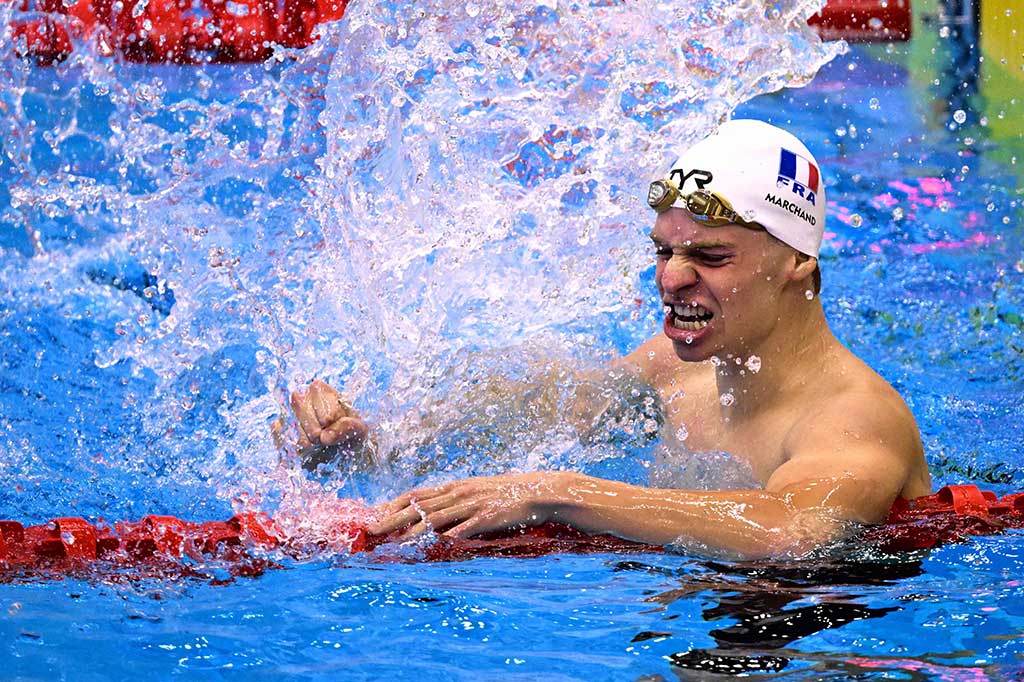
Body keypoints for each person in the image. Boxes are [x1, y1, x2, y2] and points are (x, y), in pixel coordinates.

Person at [283, 120, 932, 559]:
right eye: (663, 250)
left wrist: (566, 491)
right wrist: (369, 444)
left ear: (797, 265)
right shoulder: (674, 369)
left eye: (709, 256)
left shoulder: (854, 420)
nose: (671, 278)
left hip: (811, 634)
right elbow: (537, 413)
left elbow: (796, 530)